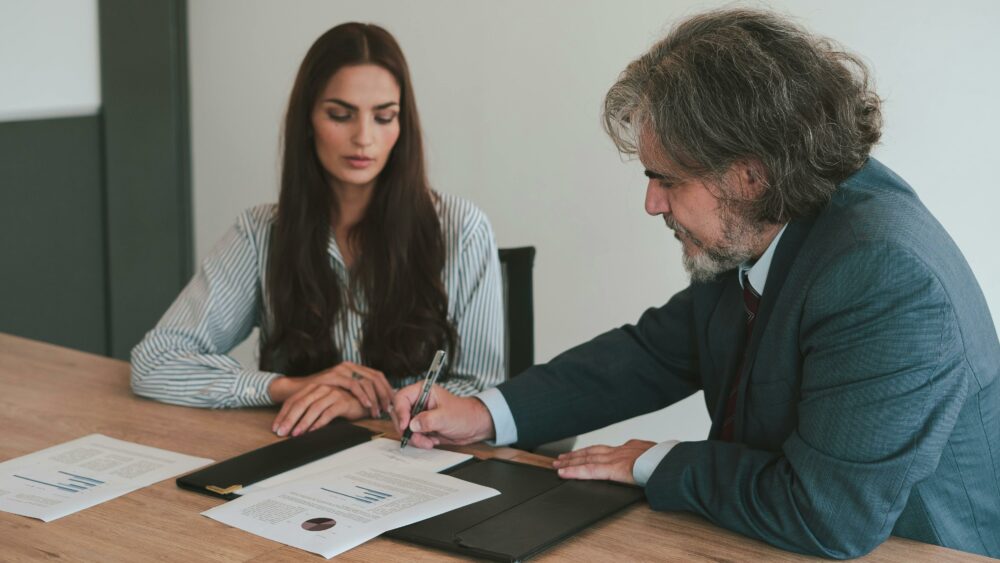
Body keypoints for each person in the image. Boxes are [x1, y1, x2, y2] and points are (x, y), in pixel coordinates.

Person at [391, 9, 1000, 559]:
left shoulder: (885, 276)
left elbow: (828, 515)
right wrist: (483, 411)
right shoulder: (768, 216)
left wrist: (652, 461)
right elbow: (655, 352)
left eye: (666, 179)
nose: (651, 203)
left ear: (750, 176)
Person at [131, 23, 505, 439]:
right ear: (308, 119)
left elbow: (480, 394)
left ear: (403, 127)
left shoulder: (462, 229)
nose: (364, 137)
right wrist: (288, 387)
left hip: (418, 463)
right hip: (295, 455)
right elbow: (155, 362)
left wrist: (367, 404)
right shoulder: (260, 233)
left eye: (384, 117)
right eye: (340, 115)